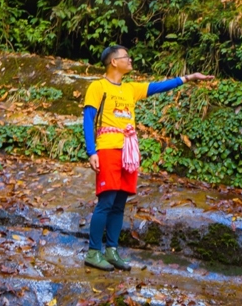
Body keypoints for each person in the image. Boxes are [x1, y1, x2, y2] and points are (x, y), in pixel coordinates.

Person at [82, 44, 214, 271]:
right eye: (126, 57)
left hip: (128, 151)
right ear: (114, 62)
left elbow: (160, 87)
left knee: (120, 203)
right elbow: (88, 118)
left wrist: (190, 77)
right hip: (107, 149)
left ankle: (112, 251)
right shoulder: (98, 87)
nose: (130, 60)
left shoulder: (130, 89)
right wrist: (92, 151)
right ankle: (94, 252)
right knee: (106, 201)